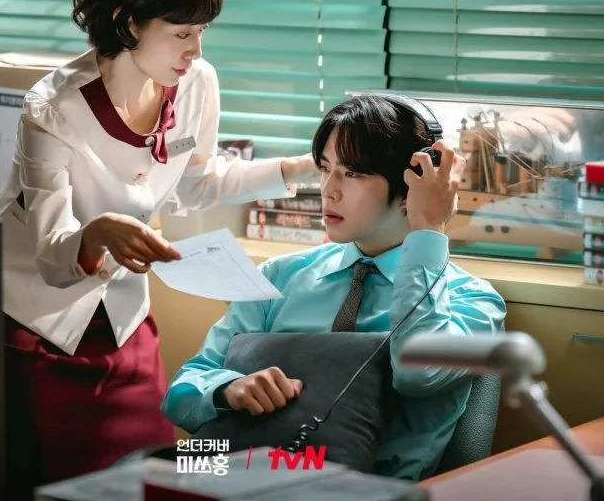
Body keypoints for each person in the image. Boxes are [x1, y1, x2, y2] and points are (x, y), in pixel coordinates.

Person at [0, 0, 317, 495]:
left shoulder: (195, 83)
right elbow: (51, 256)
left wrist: (305, 168)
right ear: (127, 22)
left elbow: (199, 182)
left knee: (151, 470)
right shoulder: (52, 108)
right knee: (61, 485)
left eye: (202, 32)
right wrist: (98, 234)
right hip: (37, 323)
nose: (196, 51)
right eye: (182, 33)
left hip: (124, 319)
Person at [161, 94, 507, 481]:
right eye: (326, 168)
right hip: (243, 480)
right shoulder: (279, 277)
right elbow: (180, 393)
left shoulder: (472, 300)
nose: (328, 189)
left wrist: (428, 229)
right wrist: (227, 388)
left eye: (353, 173)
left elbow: (418, 375)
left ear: (412, 183)